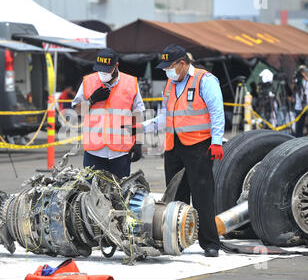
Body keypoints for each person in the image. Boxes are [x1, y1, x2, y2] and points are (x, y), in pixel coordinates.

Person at [139, 44, 225, 257]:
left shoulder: (205, 80)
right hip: (174, 146)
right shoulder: (169, 84)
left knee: (202, 195)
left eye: (170, 67)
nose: (166, 71)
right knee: (175, 195)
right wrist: (141, 127)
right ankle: (177, 239)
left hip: (199, 145)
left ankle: (210, 243)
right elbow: (164, 117)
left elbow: (217, 112)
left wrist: (216, 142)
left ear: (183, 64)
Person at [72, 48, 145, 179]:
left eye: (106, 70)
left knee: (119, 193)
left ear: (116, 66)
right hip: (94, 151)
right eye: (100, 69)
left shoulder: (130, 83)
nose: (102, 73)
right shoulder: (88, 81)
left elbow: (137, 114)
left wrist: (138, 142)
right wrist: (91, 100)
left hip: (120, 151)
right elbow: (77, 110)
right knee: (93, 194)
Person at [291, 65, 308, 137]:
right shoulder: (298, 79)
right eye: (300, 72)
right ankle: (298, 138)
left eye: (303, 71)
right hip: (299, 106)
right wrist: (294, 81)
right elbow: (293, 90)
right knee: (299, 126)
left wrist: (306, 78)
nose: (302, 73)